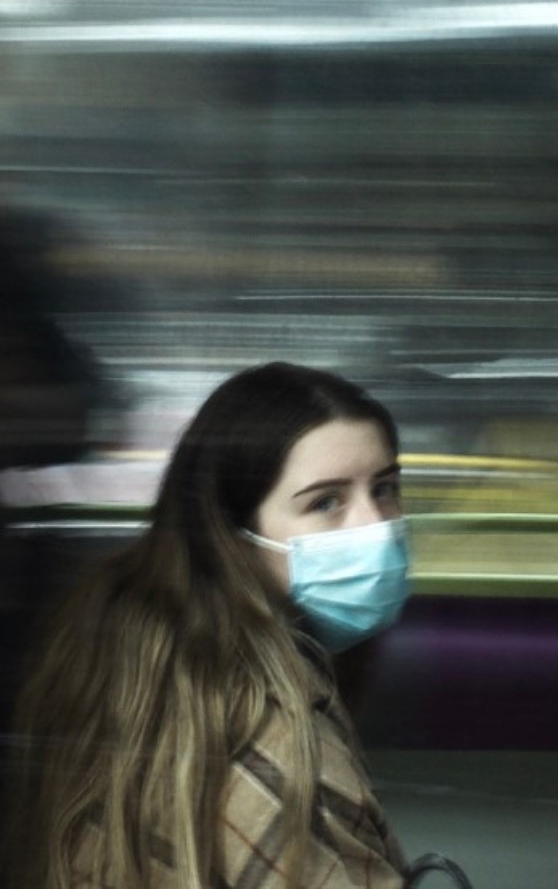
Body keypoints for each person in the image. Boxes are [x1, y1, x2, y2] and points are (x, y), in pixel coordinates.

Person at [5, 362, 414, 887]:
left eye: (384, 488)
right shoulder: (268, 725)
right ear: (234, 534)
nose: (376, 524)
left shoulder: (134, 657)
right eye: (326, 502)